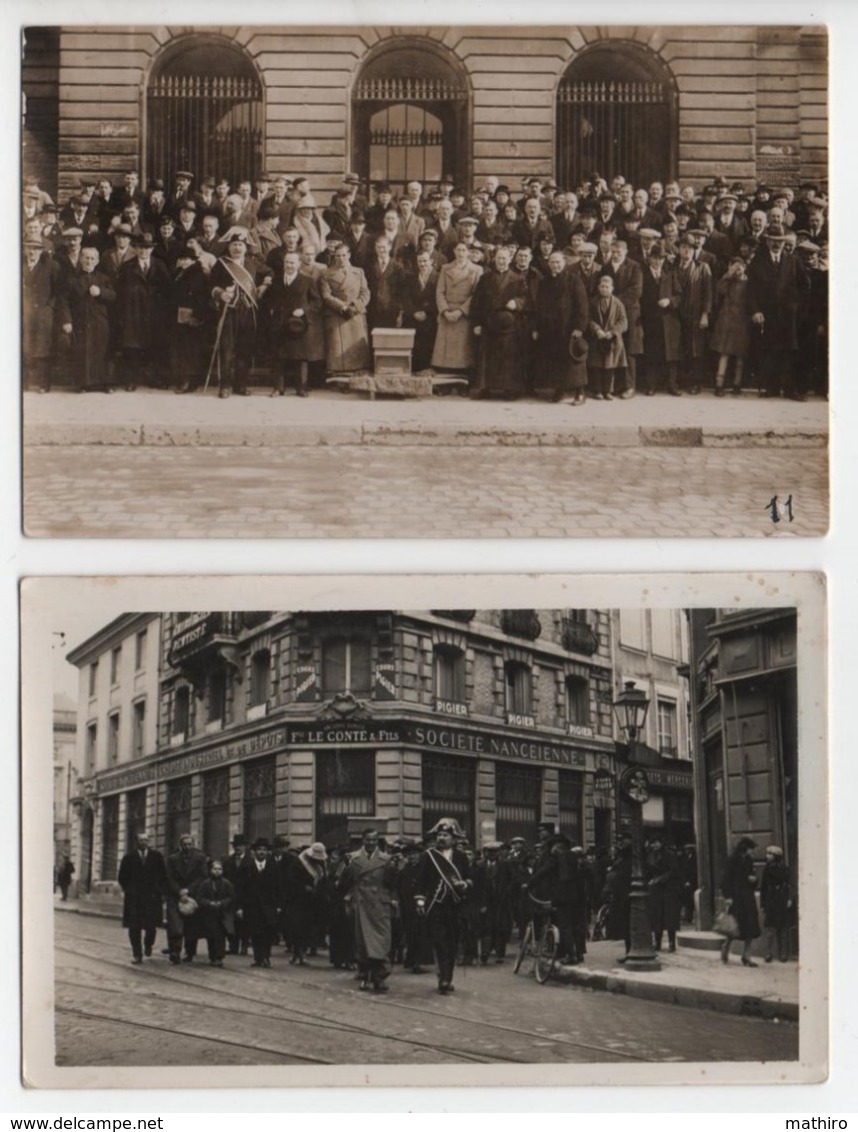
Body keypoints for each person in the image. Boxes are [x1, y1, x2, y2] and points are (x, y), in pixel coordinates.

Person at [746, 224, 809, 399]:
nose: (777, 244)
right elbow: (750, 290)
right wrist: (755, 311)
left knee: (790, 350)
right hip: (767, 315)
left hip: (789, 316)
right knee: (769, 350)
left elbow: (805, 285)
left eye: (780, 241)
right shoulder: (757, 263)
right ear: (767, 242)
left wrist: (797, 306)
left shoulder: (793, 261)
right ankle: (770, 387)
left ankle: (790, 390)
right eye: (773, 241)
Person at [209, 231, 272, 398]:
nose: (237, 248)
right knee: (227, 348)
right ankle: (225, 386)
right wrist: (221, 293)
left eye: (241, 245)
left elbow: (269, 273)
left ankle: (241, 384)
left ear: (246, 248)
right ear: (229, 247)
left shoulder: (252, 263)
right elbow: (210, 286)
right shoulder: (221, 264)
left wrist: (263, 287)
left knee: (245, 348)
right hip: (228, 310)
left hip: (248, 311)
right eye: (234, 245)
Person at [413, 818, 473, 994]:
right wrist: (420, 900)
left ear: (453, 839)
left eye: (446, 835)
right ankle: (443, 978)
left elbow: (470, 877)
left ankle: (448, 977)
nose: (442, 838)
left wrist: (465, 884)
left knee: (452, 943)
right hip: (436, 906)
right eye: (439, 834)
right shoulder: (428, 856)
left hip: (455, 906)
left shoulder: (461, 857)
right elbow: (420, 881)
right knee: (440, 943)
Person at [340, 827, 396, 993]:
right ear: (362, 840)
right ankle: (365, 975)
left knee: (382, 941)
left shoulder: (386, 859)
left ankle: (380, 976)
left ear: (377, 840)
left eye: (374, 840)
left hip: (379, 904)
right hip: (361, 903)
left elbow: (392, 883)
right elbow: (343, 882)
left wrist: (395, 868)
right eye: (368, 840)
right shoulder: (353, 858)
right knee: (363, 943)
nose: (371, 843)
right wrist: (347, 867)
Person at [471, 245, 529, 398]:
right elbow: (477, 302)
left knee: (508, 358)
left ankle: (510, 389)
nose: (501, 261)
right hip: (489, 323)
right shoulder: (485, 278)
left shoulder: (518, 279)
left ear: (510, 259)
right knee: (488, 358)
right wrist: (476, 323)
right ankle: (486, 388)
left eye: (504, 258)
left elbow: (526, 298)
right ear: (494, 260)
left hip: (509, 325)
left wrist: (516, 303)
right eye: (499, 258)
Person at [57, 244, 117, 393]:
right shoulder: (72, 280)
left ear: (97, 261)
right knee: (83, 353)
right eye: (86, 258)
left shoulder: (104, 278)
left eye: (92, 258)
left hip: (100, 321)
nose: (89, 261)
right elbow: (63, 301)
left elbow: (114, 296)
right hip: (81, 322)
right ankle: (84, 384)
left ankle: (104, 384)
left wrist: (101, 292)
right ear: (81, 259)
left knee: (101, 351)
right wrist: (67, 321)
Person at [532, 251, 589, 404]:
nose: (555, 265)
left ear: (564, 263)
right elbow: (539, 306)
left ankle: (580, 392)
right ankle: (560, 391)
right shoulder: (545, 282)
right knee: (556, 362)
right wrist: (537, 328)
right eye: (552, 262)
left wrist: (579, 328)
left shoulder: (573, 280)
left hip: (569, 329)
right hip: (551, 330)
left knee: (574, 360)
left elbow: (582, 306)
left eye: (558, 262)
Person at [265, 249, 321, 397]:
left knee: (300, 357)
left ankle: (301, 388)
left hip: (299, 324)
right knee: (278, 356)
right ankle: (278, 388)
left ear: (299, 264)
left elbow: (316, 302)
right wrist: (272, 310)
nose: (289, 265)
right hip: (280, 323)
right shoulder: (276, 280)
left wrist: (304, 310)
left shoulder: (307, 280)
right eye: (287, 262)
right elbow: (269, 300)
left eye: (292, 263)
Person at [431, 240, 482, 376]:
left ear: (469, 253)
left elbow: (476, 295)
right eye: (458, 250)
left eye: (464, 250)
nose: (461, 253)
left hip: (463, 315)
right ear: (454, 251)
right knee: (445, 353)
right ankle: (445, 383)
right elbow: (440, 292)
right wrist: (445, 311)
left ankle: (462, 384)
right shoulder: (445, 268)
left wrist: (460, 311)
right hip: (447, 313)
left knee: (462, 353)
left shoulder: (476, 270)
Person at [319, 243, 371, 375]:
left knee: (357, 347)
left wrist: (355, 306)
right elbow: (326, 295)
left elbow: (365, 292)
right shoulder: (326, 273)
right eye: (338, 256)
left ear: (349, 255)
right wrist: (343, 307)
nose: (341, 258)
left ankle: (358, 372)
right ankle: (339, 375)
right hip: (337, 314)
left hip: (356, 314)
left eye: (343, 255)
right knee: (338, 349)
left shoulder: (359, 272)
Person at [117, 832, 167, 964]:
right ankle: (137, 954)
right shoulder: (129, 858)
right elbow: (122, 877)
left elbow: (163, 876)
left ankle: (148, 944)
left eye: (146, 840)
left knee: (151, 927)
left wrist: (159, 891)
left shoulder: (156, 856)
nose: (144, 842)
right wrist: (130, 890)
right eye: (141, 840)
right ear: (136, 842)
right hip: (134, 899)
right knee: (134, 928)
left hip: (152, 898)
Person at [23, 236, 60, 392]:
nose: (32, 252)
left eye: (36, 249)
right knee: (24, 345)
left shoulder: (50, 266)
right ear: (25, 250)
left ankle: (44, 384)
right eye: (29, 248)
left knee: (42, 347)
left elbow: (57, 291)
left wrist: (49, 307)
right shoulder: (19, 265)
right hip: (25, 312)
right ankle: (23, 383)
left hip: (43, 312)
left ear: (41, 251)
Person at [237, 837, 282, 968]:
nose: (262, 852)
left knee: (268, 933)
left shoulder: (273, 867)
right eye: (259, 850)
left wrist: (279, 905)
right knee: (255, 933)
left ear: (268, 852)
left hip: (269, 906)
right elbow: (240, 888)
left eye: (264, 850)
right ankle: (258, 958)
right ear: (254, 852)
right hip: (252, 906)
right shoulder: (246, 867)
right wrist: (240, 907)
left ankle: (266, 956)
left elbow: (280, 887)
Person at [165, 831, 208, 964]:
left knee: (191, 926)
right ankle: (175, 952)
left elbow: (203, 876)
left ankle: (189, 952)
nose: (187, 847)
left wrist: (188, 890)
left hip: (193, 896)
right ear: (180, 845)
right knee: (175, 926)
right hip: (175, 896)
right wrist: (179, 891)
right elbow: (169, 878)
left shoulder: (200, 858)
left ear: (193, 844)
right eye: (184, 845)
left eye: (190, 844)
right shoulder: (173, 859)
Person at [710, 256, 751, 395]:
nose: (738, 270)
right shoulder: (728, 281)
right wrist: (728, 275)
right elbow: (719, 289)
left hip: (742, 322)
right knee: (724, 354)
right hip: (727, 321)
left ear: (745, 267)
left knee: (740, 356)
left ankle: (737, 384)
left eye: (740, 267)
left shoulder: (748, 282)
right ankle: (719, 384)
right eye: (735, 267)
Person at [720, 836, 761, 966]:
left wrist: (754, 880)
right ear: (745, 848)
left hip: (748, 898)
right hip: (736, 899)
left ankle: (746, 956)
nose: (753, 852)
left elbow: (752, 876)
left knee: (750, 928)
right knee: (734, 927)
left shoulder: (749, 860)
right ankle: (725, 948)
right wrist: (728, 897)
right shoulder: (732, 860)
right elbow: (725, 880)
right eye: (751, 849)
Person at [284, 842, 328, 965]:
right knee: (298, 928)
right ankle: (298, 953)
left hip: (313, 902)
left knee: (309, 929)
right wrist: (304, 887)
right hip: (298, 901)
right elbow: (291, 882)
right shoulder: (299, 863)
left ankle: (302, 951)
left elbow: (323, 879)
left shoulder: (321, 864)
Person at [586, 274, 628, 400]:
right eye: (602, 286)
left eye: (607, 287)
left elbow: (623, 321)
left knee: (610, 367)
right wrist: (597, 329)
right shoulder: (592, 302)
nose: (604, 289)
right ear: (598, 287)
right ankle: (597, 390)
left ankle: (608, 391)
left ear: (612, 288)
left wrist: (613, 332)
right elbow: (588, 319)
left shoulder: (618, 303)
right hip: (597, 339)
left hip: (612, 340)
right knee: (597, 366)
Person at [193, 858, 235, 967]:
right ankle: (212, 956)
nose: (217, 871)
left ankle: (220, 956)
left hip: (222, 914)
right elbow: (200, 898)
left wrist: (222, 903)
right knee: (211, 936)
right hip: (209, 914)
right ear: (210, 870)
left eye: (219, 869)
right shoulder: (205, 884)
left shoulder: (227, 883)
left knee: (221, 936)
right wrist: (209, 903)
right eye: (215, 869)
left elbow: (231, 897)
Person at [646, 838, 682, 952]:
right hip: (656, 890)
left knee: (670, 917)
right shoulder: (650, 856)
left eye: (656, 842)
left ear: (662, 843)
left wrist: (659, 879)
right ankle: (658, 943)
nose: (654, 845)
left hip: (669, 889)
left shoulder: (670, 855)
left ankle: (672, 943)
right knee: (657, 917)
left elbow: (674, 871)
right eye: (653, 843)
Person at [760, 845, 792, 963]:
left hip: (782, 899)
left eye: (769, 854)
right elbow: (763, 887)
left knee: (783, 928)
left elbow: (789, 884)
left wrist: (789, 899)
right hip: (771, 900)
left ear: (776, 856)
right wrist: (763, 903)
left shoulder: (785, 868)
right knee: (770, 929)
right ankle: (768, 953)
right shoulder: (767, 869)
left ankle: (783, 953)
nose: (767, 856)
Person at [222, 834, 250, 955]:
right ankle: (233, 946)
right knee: (231, 921)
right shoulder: (228, 861)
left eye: (241, 846)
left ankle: (244, 945)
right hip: (231, 895)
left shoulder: (251, 861)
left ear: (245, 847)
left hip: (245, 895)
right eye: (236, 846)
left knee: (244, 921)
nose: (238, 848)